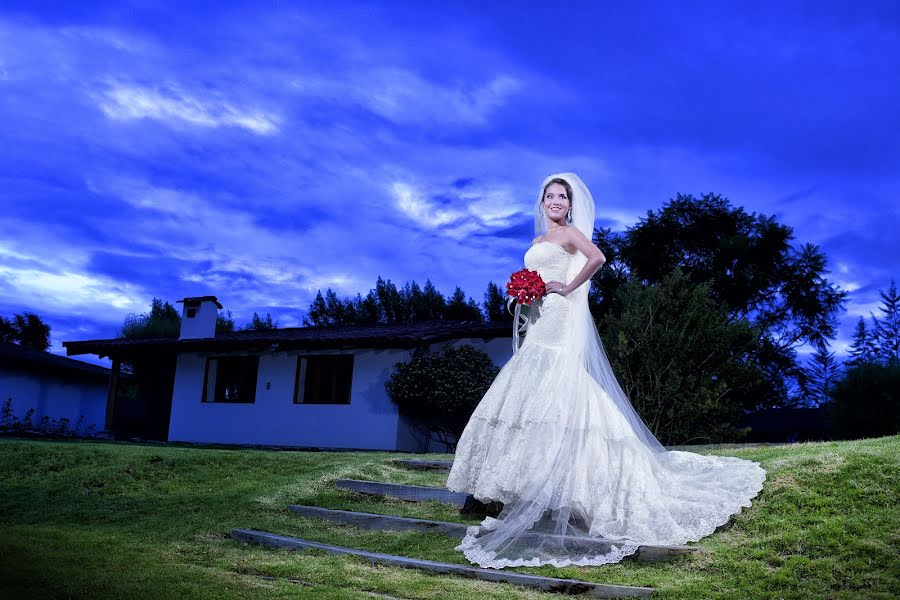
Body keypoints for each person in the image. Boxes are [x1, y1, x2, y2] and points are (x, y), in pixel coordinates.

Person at [446, 172, 766, 569]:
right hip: (540, 315)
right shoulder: (537, 241)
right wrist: (524, 296)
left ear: (570, 203)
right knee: (531, 385)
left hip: (560, 316)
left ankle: (574, 484)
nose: (556, 201)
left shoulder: (570, 235)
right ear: (542, 201)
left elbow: (597, 258)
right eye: (550, 196)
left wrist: (565, 286)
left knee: (558, 379)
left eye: (562, 196)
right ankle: (521, 485)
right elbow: (535, 277)